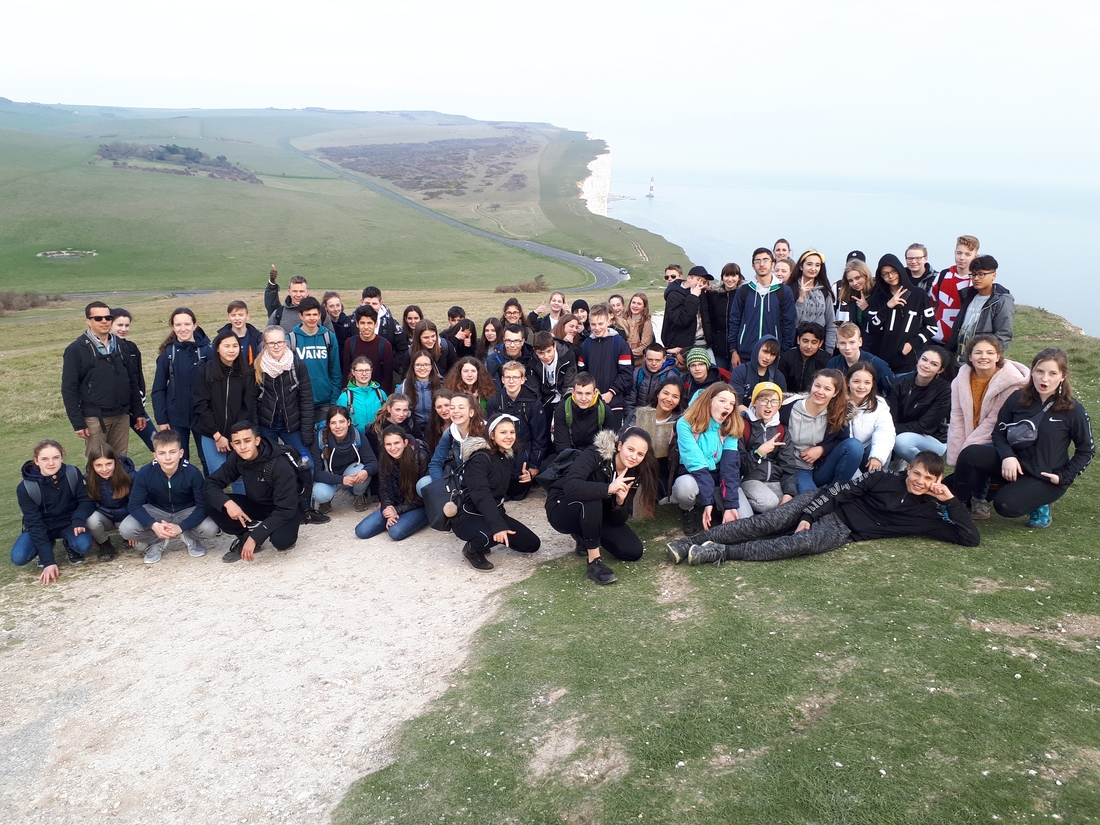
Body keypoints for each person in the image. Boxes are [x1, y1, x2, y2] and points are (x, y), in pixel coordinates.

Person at [667, 451, 980, 565]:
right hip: (824, 502)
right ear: (909, 469)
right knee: (768, 523)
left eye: (929, 479)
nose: (920, 482)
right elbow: (839, 490)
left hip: (844, 529)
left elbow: (969, 538)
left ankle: (720, 552)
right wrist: (808, 514)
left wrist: (950, 501)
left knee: (796, 544)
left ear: (938, 480)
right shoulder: (884, 477)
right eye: (917, 474)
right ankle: (690, 542)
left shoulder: (929, 513)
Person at [949, 348, 1094, 528]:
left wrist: (1064, 476)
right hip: (1015, 467)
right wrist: (1008, 456)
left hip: (1045, 476)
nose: (1045, 379)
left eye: (1053, 373)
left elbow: (1087, 450)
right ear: (1032, 372)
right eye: (1040, 371)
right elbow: (999, 433)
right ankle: (956, 507)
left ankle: (1041, 502)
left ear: (1063, 376)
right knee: (970, 454)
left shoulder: (1073, 410)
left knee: (1005, 505)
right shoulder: (1017, 398)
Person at [546, 427, 658, 585]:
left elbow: (618, 520)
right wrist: (608, 489)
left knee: (632, 551)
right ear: (620, 445)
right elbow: (570, 486)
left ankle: (585, 535)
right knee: (593, 499)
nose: (634, 457)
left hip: (596, 513)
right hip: (562, 506)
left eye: (640, 454)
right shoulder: (597, 453)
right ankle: (594, 562)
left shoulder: (634, 472)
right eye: (630, 449)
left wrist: (619, 503)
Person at [945, 335, 1030, 504]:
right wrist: (957, 452)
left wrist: (967, 448)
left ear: (998, 356)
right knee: (963, 466)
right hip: (972, 433)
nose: (984, 357)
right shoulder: (960, 381)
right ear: (970, 357)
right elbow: (957, 416)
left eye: (990, 353)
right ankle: (962, 500)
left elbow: (994, 421)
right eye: (978, 352)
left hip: (1001, 437)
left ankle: (979, 498)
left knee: (976, 453)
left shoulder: (1011, 383)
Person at [203, 421, 303, 562]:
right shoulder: (237, 458)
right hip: (258, 504)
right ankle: (243, 536)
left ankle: (259, 535)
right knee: (212, 501)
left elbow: (286, 509)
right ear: (232, 445)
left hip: (285, 508)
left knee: (281, 542)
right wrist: (227, 503)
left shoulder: (279, 464)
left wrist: (255, 536)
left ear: (257, 441)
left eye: (247, 440)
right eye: (237, 442)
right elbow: (210, 483)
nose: (243, 447)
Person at [452, 415, 540, 570]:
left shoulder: (505, 455)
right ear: (492, 435)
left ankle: (486, 537)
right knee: (491, 533)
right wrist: (498, 526)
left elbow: (508, 490)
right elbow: (481, 494)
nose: (509, 436)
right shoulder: (479, 457)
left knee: (532, 544)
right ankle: (472, 550)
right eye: (503, 432)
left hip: (493, 512)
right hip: (468, 515)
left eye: (512, 432)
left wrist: (524, 481)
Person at [119, 429, 219, 564]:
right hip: (157, 511)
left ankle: (189, 537)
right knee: (126, 529)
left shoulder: (192, 472)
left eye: (172, 452)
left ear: (181, 453)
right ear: (155, 455)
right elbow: (134, 505)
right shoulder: (145, 473)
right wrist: (153, 525)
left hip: (185, 510)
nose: (168, 458)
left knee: (210, 528)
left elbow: (202, 505)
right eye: (162, 453)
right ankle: (158, 540)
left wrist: (181, 527)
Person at [62, 301, 147, 457]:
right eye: (98, 318)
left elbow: (132, 381)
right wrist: (78, 423)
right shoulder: (76, 349)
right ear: (88, 321)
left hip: (122, 415)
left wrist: (138, 412)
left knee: (120, 460)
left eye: (108, 318)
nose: (104, 321)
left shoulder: (121, 345)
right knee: (98, 461)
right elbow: (69, 389)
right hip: (95, 418)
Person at [672, 382, 754, 535]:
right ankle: (688, 509)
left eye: (732, 403)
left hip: (719, 476)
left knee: (744, 520)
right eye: (722, 401)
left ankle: (719, 507)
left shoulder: (731, 425)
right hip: (694, 474)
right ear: (709, 401)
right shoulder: (685, 423)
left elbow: (729, 467)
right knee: (684, 488)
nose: (728, 407)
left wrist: (730, 505)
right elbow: (696, 463)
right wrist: (707, 502)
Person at [12, 440, 95, 584]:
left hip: (68, 523)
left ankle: (69, 544)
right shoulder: (25, 488)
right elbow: (34, 524)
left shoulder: (72, 473)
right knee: (19, 558)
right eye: (44, 459)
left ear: (62, 457)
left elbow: (86, 501)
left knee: (83, 545)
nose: (51, 463)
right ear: (36, 461)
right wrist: (48, 561)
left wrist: (79, 519)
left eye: (55, 457)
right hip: (42, 526)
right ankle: (46, 545)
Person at [193, 330, 257, 493]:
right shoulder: (205, 371)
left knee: (240, 476)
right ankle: (219, 507)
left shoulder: (247, 373)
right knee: (217, 476)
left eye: (235, 346)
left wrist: (235, 437)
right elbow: (201, 405)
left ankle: (242, 507)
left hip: (238, 436)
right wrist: (217, 435)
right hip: (212, 434)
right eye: (226, 346)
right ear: (217, 348)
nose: (231, 350)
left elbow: (248, 407)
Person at [781, 369, 862, 493]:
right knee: (811, 499)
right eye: (817, 386)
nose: (820, 392)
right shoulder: (788, 408)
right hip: (796, 468)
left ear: (835, 393)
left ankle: (836, 492)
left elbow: (842, 441)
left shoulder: (837, 413)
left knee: (855, 446)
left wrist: (822, 449)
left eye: (827, 389)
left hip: (821, 467)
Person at [151, 307, 212, 470]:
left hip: (203, 415)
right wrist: (162, 419)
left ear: (195, 325)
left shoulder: (207, 351)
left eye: (187, 324)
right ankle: (182, 487)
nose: (183, 328)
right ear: (172, 326)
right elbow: (158, 389)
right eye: (178, 325)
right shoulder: (167, 355)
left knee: (207, 458)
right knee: (179, 459)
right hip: (176, 417)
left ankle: (210, 486)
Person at [355, 425, 431, 542]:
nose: (393, 448)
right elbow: (383, 489)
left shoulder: (420, 456)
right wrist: (388, 509)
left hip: (420, 505)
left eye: (396, 443)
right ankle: (400, 517)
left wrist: (397, 510)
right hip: (396, 502)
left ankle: (420, 519)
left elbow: (424, 493)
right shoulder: (384, 457)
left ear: (405, 442)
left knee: (395, 532)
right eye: (388, 444)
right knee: (362, 531)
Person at [865, 253, 937, 374]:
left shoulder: (919, 295)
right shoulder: (878, 297)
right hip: (880, 363)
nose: (890, 276)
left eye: (893, 271)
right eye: (885, 273)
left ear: (900, 269)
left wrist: (911, 344)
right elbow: (870, 329)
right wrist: (887, 307)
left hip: (907, 363)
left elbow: (931, 327)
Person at [727, 248, 798, 366]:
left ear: (773, 264)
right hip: (744, 354)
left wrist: (783, 351)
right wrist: (734, 350)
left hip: (772, 354)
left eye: (766, 260)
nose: (762, 264)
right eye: (757, 261)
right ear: (753, 266)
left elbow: (789, 323)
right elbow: (734, 320)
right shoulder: (744, 291)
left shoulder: (784, 291)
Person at [254, 326, 315, 461]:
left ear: (285, 342)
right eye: (271, 343)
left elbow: (306, 400)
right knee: (268, 464)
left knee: (307, 464)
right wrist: (256, 432)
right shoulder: (257, 367)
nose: (276, 346)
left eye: (280, 342)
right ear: (265, 344)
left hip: (291, 425)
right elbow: (252, 402)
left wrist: (307, 434)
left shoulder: (297, 365)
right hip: (266, 425)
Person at [739, 383, 798, 513]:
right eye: (764, 400)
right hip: (750, 479)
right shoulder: (742, 427)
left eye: (774, 401)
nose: (769, 405)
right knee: (769, 504)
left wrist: (789, 493)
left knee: (789, 508)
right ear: (754, 403)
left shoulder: (781, 430)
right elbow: (738, 466)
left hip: (775, 480)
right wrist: (758, 453)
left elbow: (788, 466)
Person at [944, 254, 1015, 359]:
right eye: (973, 274)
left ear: (993, 275)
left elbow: (1003, 335)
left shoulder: (1002, 301)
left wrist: (986, 357)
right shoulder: (968, 295)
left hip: (980, 359)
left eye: (981, 274)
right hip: (958, 357)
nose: (976, 278)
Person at [890, 345, 953, 464]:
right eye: (924, 359)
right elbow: (892, 416)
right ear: (918, 359)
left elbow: (924, 426)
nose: (926, 365)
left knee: (901, 441)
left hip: (933, 438)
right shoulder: (900, 382)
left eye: (934, 364)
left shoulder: (945, 390)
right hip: (903, 431)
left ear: (940, 370)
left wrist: (891, 429)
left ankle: (927, 469)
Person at [311, 405, 378, 514]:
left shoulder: (357, 436)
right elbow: (316, 473)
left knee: (362, 470)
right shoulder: (319, 439)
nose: (338, 426)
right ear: (328, 424)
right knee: (319, 493)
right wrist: (341, 479)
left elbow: (373, 462)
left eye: (341, 422)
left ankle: (358, 494)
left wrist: (366, 471)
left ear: (348, 422)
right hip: (329, 475)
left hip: (351, 472)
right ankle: (325, 501)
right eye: (333, 423)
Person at [577, 303, 633, 431]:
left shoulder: (620, 344)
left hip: (614, 402)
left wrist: (611, 392)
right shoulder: (586, 345)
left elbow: (626, 374)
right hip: (591, 402)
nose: (597, 328)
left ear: (608, 321)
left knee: (611, 439)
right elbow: (582, 374)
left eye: (600, 324)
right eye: (593, 324)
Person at [486, 361, 547, 476]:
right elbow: (489, 433)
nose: (511, 381)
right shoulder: (495, 402)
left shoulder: (533, 402)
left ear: (523, 380)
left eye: (515, 377)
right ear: (502, 379)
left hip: (524, 452)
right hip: (501, 453)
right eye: (508, 377)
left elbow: (539, 436)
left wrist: (534, 464)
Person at [628, 376, 685, 499]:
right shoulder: (639, 412)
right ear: (658, 393)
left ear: (680, 400)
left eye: (675, 396)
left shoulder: (681, 421)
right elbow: (622, 436)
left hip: (662, 469)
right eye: (666, 393)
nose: (669, 399)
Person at [288, 296, 342, 422]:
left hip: (325, 401)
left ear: (319, 315)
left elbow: (335, 371)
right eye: (308, 315)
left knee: (324, 433)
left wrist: (334, 399)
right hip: (301, 401)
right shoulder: (291, 339)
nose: (312, 318)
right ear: (301, 316)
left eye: (315, 314)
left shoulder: (329, 337)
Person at [109, 308, 156, 452]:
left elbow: (138, 377)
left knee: (156, 441)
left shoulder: (131, 348)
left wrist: (140, 405)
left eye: (127, 325)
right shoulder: (102, 349)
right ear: (109, 324)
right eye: (119, 325)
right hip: (114, 410)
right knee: (110, 452)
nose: (124, 329)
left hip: (135, 407)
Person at [84, 443, 135, 561]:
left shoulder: (129, 475)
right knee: (91, 520)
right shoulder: (87, 478)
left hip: (126, 515)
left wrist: (134, 528)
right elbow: (86, 504)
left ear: (115, 462)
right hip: (104, 516)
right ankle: (104, 543)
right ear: (92, 465)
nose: (104, 469)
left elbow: (138, 503)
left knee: (141, 546)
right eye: (98, 465)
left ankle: (127, 534)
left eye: (108, 464)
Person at [928, 235, 979, 343]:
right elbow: (929, 304)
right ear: (954, 253)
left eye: (967, 254)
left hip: (962, 342)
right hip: (935, 339)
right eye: (959, 253)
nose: (962, 258)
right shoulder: (942, 275)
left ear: (975, 256)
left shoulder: (977, 281)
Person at [845, 363, 895, 474]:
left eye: (867, 382)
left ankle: (875, 480)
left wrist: (877, 456)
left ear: (872, 384)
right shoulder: (837, 402)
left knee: (884, 449)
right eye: (856, 381)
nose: (861, 387)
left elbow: (885, 431)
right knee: (854, 446)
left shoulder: (879, 404)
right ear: (848, 382)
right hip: (845, 454)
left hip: (867, 453)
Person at [826, 322, 897, 400]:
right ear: (837, 343)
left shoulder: (877, 364)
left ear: (860, 342)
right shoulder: (833, 363)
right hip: (842, 404)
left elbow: (894, 390)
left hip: (871, 404)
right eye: (842, 343)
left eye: (852, 342)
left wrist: (881, 404)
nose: (847, 347)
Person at [427, 393, 486, 481]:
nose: (455, 411)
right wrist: (442, 486)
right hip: (460, 478)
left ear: (471, 412)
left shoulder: (485, 431)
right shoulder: (450, 432)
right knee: (424, 482)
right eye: (452, 408)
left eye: (461, 408)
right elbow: (435, 463)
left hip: (482, 481)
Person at [789, 249, 837, 352]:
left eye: (817, 265)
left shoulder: (824, 291)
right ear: (801, 266)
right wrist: (801, 298)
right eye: (809, 264)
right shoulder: (790, 289)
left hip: (820, 345)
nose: (813, 268)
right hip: (796, 345)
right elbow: (791, 323)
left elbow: (831, 324)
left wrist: (829, 350)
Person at [530, 330, 577, 434]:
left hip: (563, 396)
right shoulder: (532, 361)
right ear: (535, 351)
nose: (546, 356)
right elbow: (534, 391)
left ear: (554, 346)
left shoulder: (567, 355)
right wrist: (539, 412)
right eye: (541, 353)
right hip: (545, 398)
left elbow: (569, 385)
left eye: (549, 351)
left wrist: (561, 412)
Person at [661, 265, 709, 363]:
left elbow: (706, 317)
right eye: (698, 280)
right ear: (689, 278)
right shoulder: (674, 294)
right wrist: (693, 297)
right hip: (681, 345)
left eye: (704, 282)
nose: (701, 284)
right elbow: (681, 320)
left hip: (702, 342)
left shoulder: (700, 292)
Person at [265, 268, 334, 334]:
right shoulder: (279, 314)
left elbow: (331, 337)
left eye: (301, 291)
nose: (298, 295)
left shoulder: (321, 312)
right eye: (295, 291)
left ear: (307, 292)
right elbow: (267, 337)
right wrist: (272, 283)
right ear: (289, 292)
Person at [343, 305, 395, 392]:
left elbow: (388, 377)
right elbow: (346, 374)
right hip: (355, 393)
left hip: (377, 394)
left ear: (376, 324)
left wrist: (382, 396)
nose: (366, 327)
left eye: (370, 323)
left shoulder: (385, 345)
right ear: (357, 324)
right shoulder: (350, 343)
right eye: (362, 323)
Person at [359, 286, 408, 378]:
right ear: (361, 302)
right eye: (367, 303)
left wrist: (390, 366)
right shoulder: (351, 322)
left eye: (374, 303)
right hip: (358, 374)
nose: (370, 306)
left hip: (384, 374)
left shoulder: (392, 324)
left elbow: (402, 349)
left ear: (381, 303)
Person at [728, 335, 786, 410]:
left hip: (769, 415)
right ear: (757, 349)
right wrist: (752, 415)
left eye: (773, 354)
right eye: (765, 352)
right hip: (741, 414)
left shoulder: (778, 377)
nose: (768, 357)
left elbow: (781, 404)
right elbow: (736, 402)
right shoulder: (740, 371)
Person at [553, 373, 607, 453]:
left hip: (594, 456)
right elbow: (562, 446)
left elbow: (607, 447)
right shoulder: (562, 410)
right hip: (569, 455)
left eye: (588, 393)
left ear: (595, 393)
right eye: (579, 393)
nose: (583, 398)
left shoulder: (604, 410)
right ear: (573, 392)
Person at [705, 263, 744, 370]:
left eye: (733, 275)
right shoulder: (713, 295)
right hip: (718, 347)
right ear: (722, 277)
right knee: (719, 376)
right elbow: (709, 319)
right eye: (727, 275)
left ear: (739, 277)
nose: (730, 279)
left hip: (739, 348)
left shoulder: (743, 295)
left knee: (736, 376)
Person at [337, 357, 388, 438]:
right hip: (355, 439)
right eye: (360, 371)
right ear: (353, 372)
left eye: (367, 370)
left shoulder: (380, 394)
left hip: (379, 438)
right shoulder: (345, 397)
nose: (364, 374)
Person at [629, 343, 680, 418]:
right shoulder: (636, 375)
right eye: (650, 360)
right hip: (638, 417)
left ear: (664, 359)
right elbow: (630, 401)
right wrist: (630, 419)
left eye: (658, 360)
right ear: (645, 357)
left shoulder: (671, 377)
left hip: (661, 418)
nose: (653, 363)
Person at [778, 322, 829, 394]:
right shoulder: (787, 357)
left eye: (814, 342)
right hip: (789, 396)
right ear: (798, 340)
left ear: (820, 343)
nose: (808, 346)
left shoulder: (826, 359)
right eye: (805, 341)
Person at [403, 351, 441, 437]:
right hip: (412, 432)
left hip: (437, 430)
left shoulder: (442, 385)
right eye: (418, 365)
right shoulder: (403, 387)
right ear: (413, 366)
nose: (422, 368)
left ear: (431, 367)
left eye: (426, 364)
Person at [486, 324, 535, 388]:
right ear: (504, 341)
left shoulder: (532, 357)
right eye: (508, 341)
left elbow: (534, 386)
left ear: (522, 342)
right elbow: (496, 389)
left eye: (516, 341)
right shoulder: (493, 360)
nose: (512, 345)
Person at [218, 300, 264, 366]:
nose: (237, 318)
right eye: (233, 315)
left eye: (241, 315)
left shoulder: (258, 338)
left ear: (247, 316)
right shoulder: (220, 338)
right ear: (228, 317)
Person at [835, 258, 874, 330]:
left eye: (857, 278)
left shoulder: (878, 293)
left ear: (866, 275)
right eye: (850, 280)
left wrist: (866, 309)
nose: (855, 283)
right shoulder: (852, 297)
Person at [623, 292, 654, 367]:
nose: (635, 306)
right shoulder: (623, 319)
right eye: (633, 302)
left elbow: (645, 346)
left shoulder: (646, 323)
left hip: (638, 363)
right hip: (622, 360)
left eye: (639, 304)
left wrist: (627, 353)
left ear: (644, 307)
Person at [426, 388, 454, 454]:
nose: (443, 410)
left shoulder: (462, 425)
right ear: (435, 408)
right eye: (439, 407)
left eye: (447, 405)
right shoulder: (432, 426)